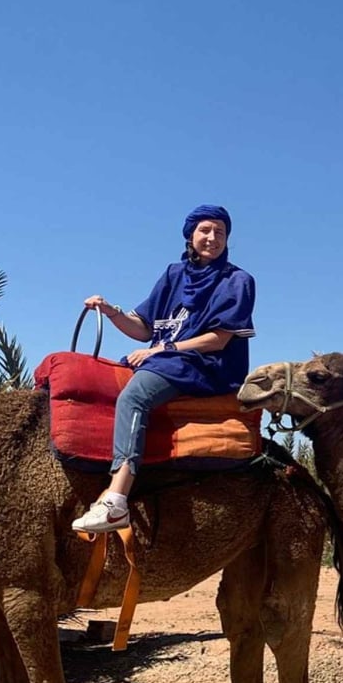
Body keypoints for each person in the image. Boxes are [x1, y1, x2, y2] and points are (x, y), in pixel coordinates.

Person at [71, 204, 256, 533]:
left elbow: (219, 339)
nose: (212, 238)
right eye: (205, 230)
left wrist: (164, 348)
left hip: (204, 365)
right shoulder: (174, 275)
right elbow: (144, 327)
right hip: (164, 357)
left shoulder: (237, 280)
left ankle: (116, 499)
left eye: (220, 232)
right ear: (191, 235)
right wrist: (111, 311)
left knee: (134, 398)